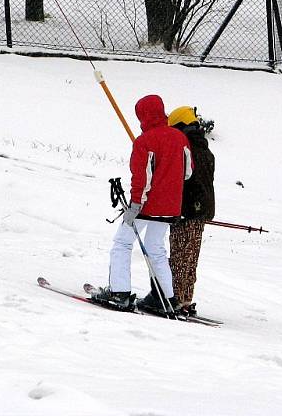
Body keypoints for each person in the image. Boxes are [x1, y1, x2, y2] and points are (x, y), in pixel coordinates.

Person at [92, 94, 193, 312]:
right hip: (171, 206)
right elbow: (188, 172)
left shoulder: (144, 141)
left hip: (146, 205)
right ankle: (167, 298)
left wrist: (136, 204)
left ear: (143, 115)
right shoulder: (179, 138)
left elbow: (141, 177)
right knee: (156, 248)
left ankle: (119, 292)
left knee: (122, 243)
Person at [165, 106, 215, 317]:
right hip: (203, 210)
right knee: (190, 257)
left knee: (179, 256)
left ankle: (175, 298)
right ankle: (185, 298)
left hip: (186, 209)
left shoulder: (186, 148)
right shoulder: (205, 148)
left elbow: (181, 179)